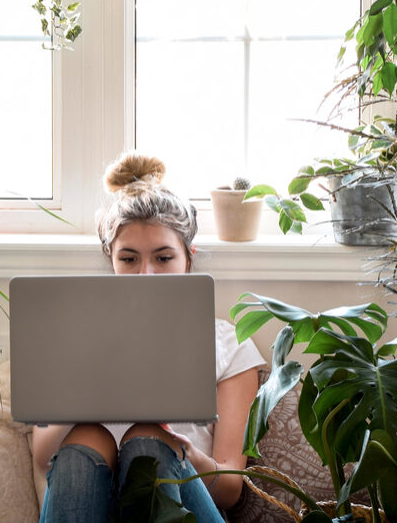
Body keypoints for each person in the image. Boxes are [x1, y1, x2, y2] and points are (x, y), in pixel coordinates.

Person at [31, 152, 266, 522]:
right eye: (129, 260)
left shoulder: (229, 346)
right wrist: (92, 387)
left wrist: (184, 451)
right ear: (111, 260)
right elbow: (44, 458)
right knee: (87, 440)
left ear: (188, 259)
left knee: (148, 442)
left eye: (163, 258)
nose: (146, 276)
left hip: (184, 496)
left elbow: (231, 490)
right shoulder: (77, 338)